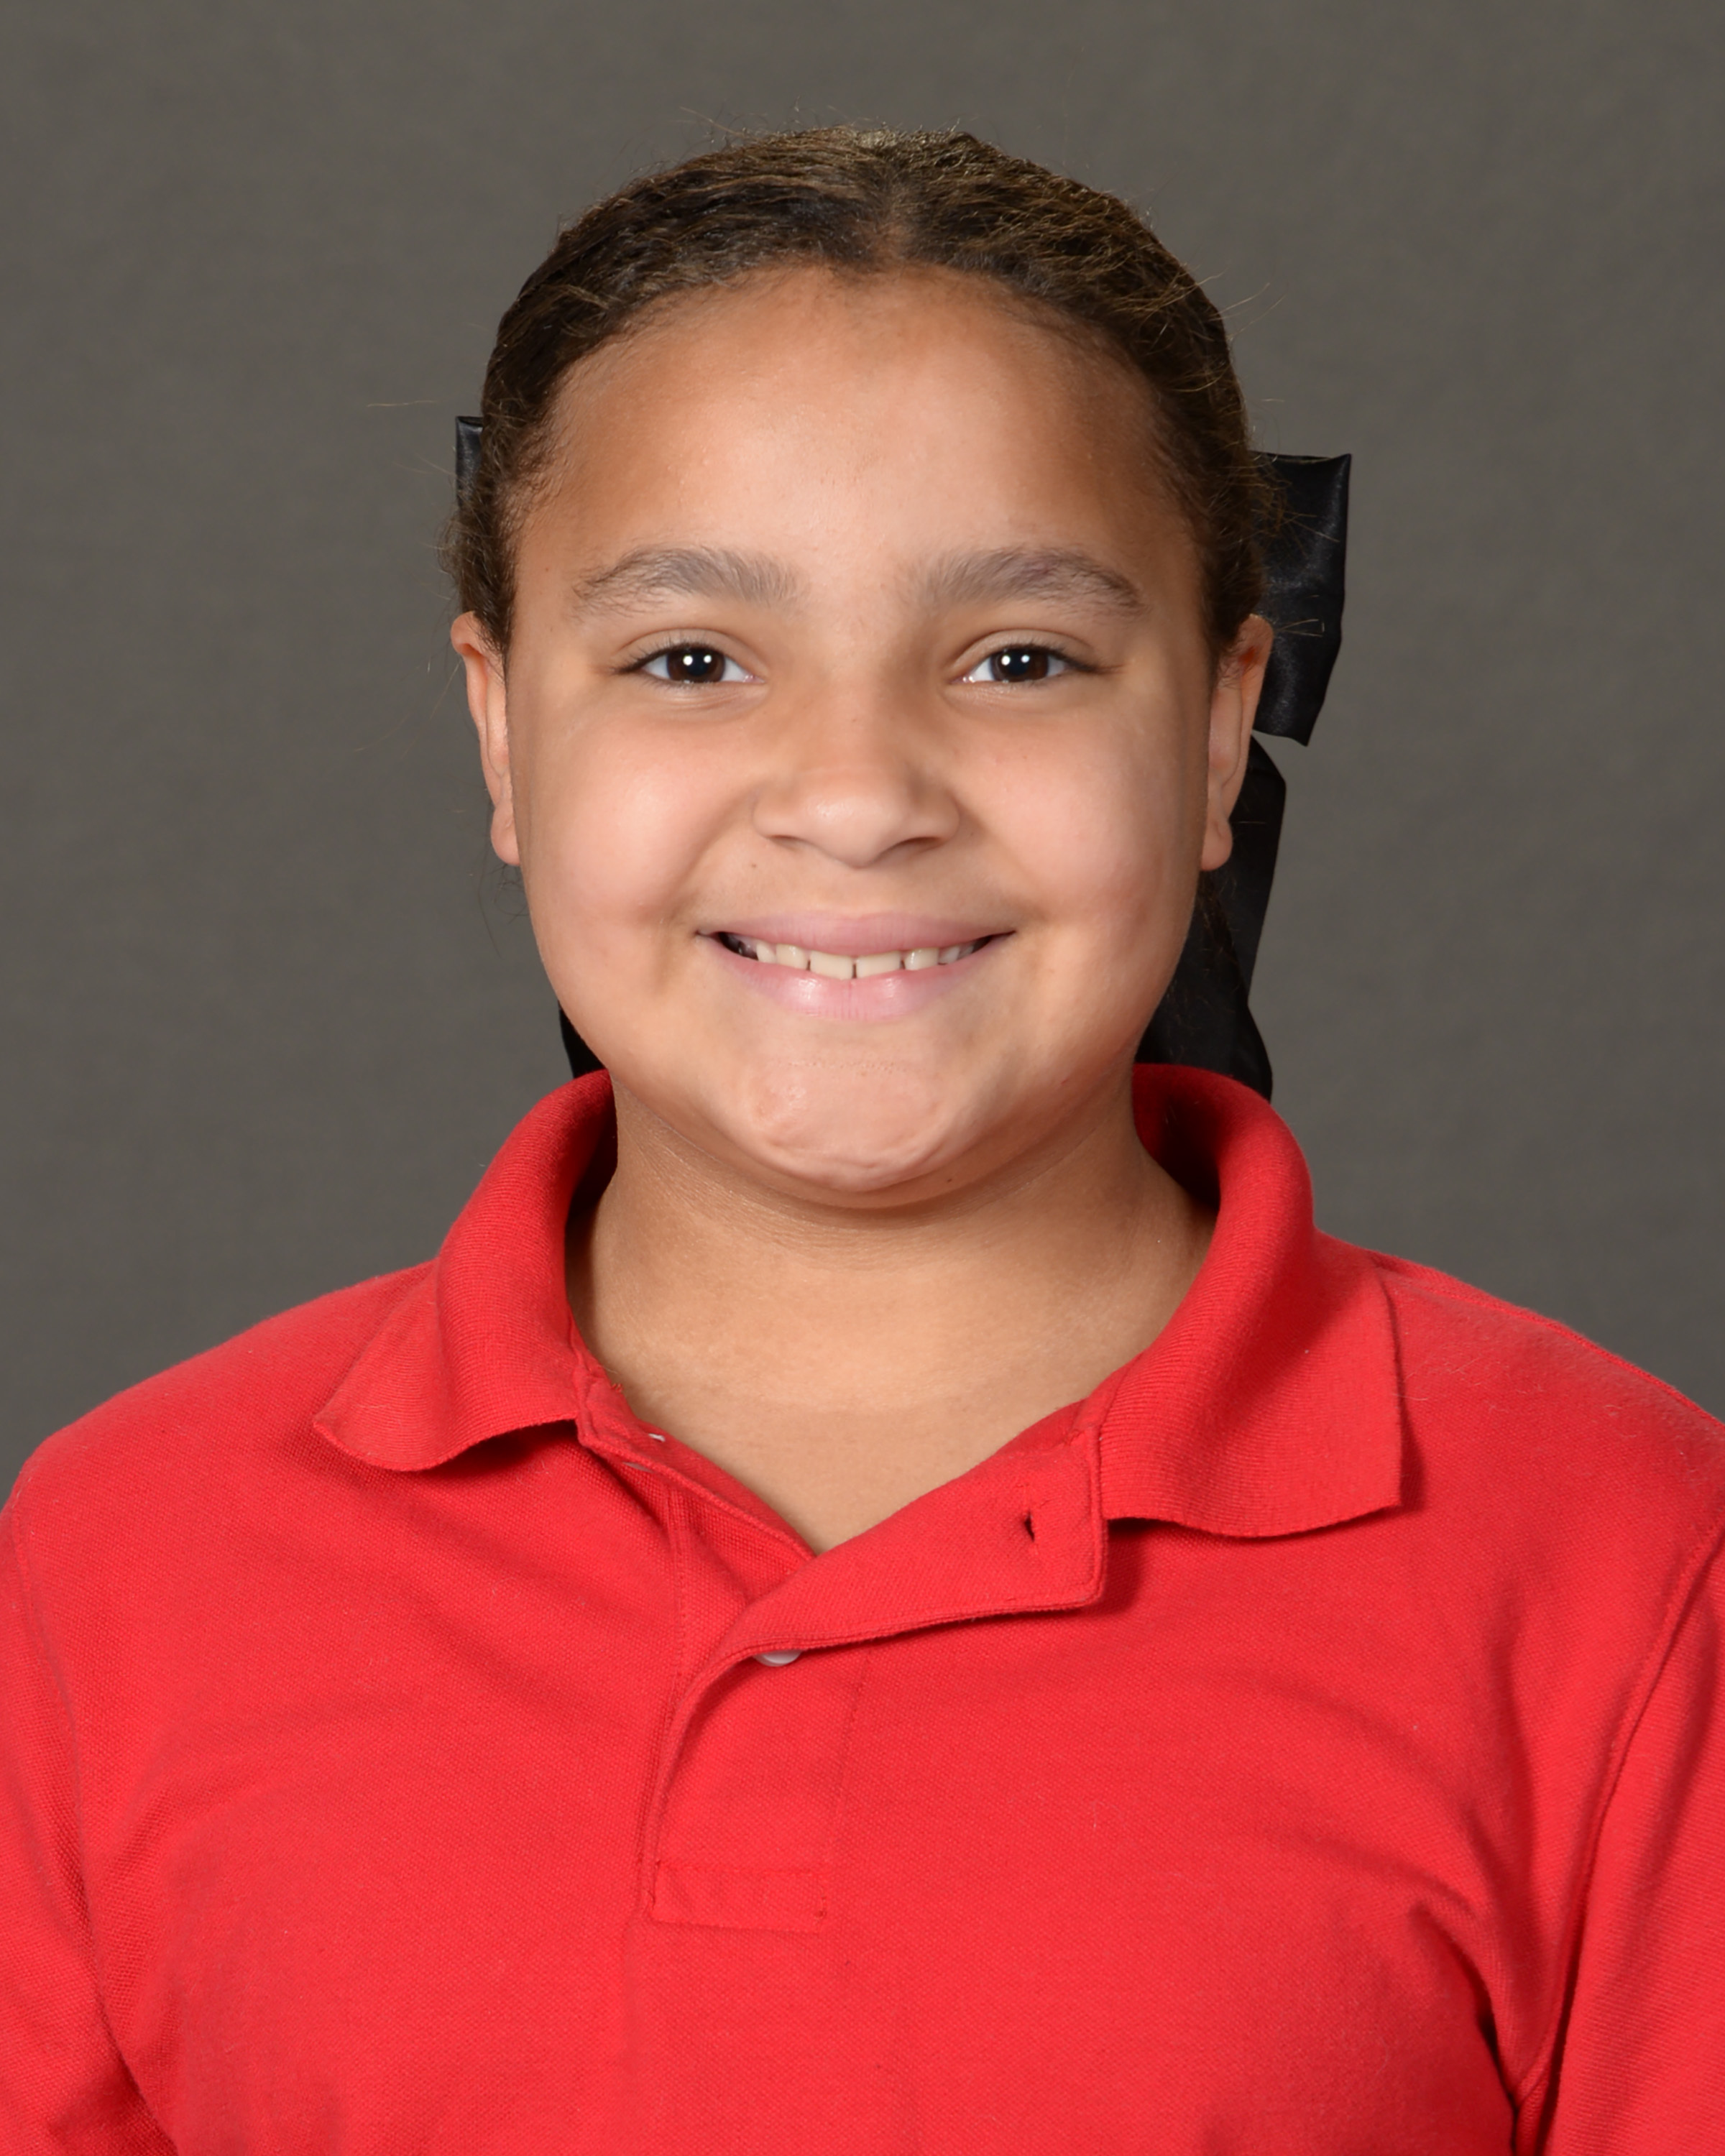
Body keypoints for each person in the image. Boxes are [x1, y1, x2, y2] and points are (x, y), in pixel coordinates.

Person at [1, 127, 1719, 2155]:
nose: (855, 793)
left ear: (1214, 730)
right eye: (691, 662)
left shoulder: (1631, 1563)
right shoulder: (117, 1561)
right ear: (501, 729)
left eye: (1019, 660)